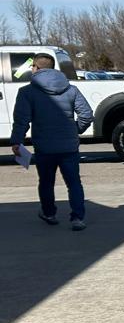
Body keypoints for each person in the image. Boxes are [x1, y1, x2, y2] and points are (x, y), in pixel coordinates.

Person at [9, 54, 94, 230]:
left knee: (46, 182)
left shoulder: (27, 92)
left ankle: (49, 213)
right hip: (69, 146)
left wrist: (17, 141)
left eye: (32, 66)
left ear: (36, 68)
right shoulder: (71, 89)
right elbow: (86, 115)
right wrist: (75, 130)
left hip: (44, 146)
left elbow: (22, 120)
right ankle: (77, 218)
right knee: (74, 183)